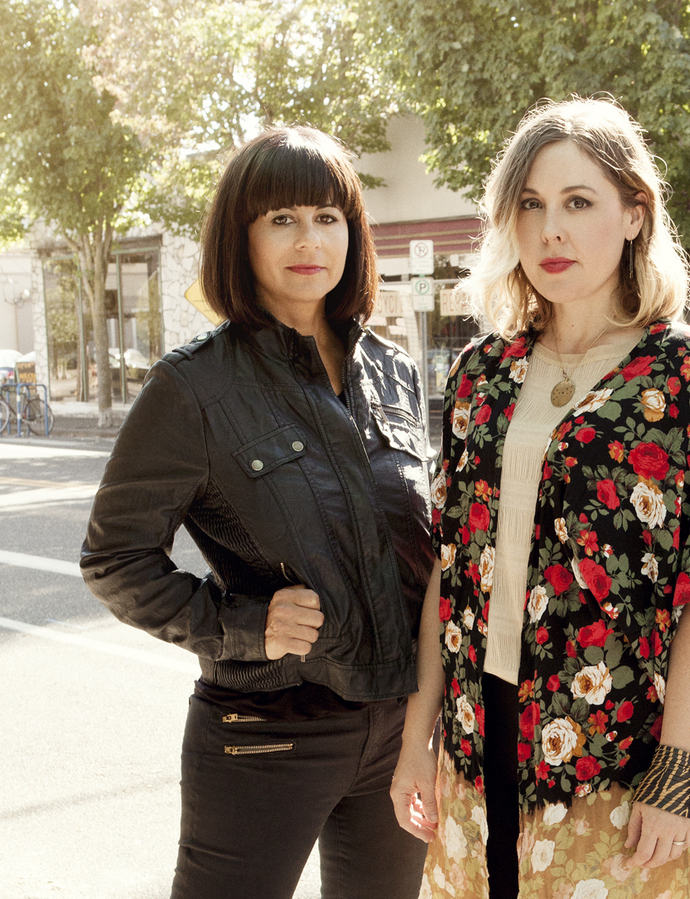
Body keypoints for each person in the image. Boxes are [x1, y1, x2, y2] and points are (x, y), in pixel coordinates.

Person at [389, 98, 690, 899]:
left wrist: (677, 769)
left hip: (613, 751)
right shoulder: (481, 370)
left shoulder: (683, 373)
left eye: (578, 202)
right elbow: (452, 569)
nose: (552, 229)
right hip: (479, 737)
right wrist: (418, 741)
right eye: (531, 205)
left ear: (632, 214)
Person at [80, 126, 434, 899]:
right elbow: (113, 560)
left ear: (353, 232)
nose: (309, 239)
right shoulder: (194, 388)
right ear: (240, 237)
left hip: (399, 734)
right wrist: (247, 624)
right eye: (281, 219)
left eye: (327, 216)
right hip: (264, 733)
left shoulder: (393, 372)